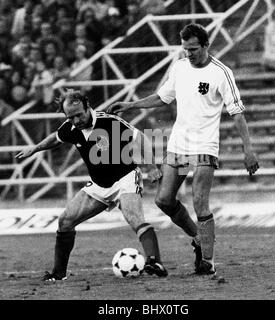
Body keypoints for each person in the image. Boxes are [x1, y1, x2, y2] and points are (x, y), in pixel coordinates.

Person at [107, 23, 259, 276]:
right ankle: (198, 237)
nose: (189, 53)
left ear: (206, 45)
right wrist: (129, 104)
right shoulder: (179, 67)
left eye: (193, 49)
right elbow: (162, 97)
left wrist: (248, 150)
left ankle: (207, 262)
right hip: (179, 143)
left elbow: (237, 113)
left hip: (205, 145)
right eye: (185, 49)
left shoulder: (222, 73)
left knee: (200, 202)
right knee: (163, 200)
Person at [15, 89, 168, 281]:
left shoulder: (109, 122)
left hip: (125, 178)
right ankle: (58, 274)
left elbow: (140, 138)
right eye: (71, 118)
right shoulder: (70, 127)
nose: (76, 121)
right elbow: (56, 137)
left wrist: (152, 166)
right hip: (98, 184)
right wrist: (35, 149)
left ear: (88, 107)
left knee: (133, 216)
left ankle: (154, 262)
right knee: (65, 221)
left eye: (79, 115)